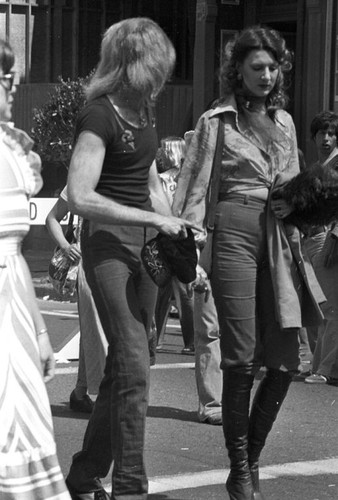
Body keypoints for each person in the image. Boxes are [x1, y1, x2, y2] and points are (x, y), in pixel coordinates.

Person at [172, 26, 325, 500]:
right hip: (232, 233)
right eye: (255, 66)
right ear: (236, 70)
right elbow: (192, 188)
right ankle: (240, 472)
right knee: (238, 360)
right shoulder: (216, 120)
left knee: (282, 362)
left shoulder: (285, 122)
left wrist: (296, 203)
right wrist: (189, 256)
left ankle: (250, 458)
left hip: (279, 240)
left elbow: (297, 186)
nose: (265, 74)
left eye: (272, 67)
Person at [65, 18, 197, 500]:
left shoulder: (143, 111)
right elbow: (78, 195)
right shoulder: (99, 116)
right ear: (136, 63)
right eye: (158, 63)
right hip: (107, 245)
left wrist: (177, 230)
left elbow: (148, 185)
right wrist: (153, 221)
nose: (162, 74)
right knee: (136, 365)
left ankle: (83, 474)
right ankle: (129, 488)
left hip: (144, 244)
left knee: (127, 366)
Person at [0, 39, 70, 499]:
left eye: (13, 82)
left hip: (13, 323)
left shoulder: (11, 153)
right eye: (5, 81)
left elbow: (14, 255)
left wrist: (41, 335)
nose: (11, 92)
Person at [46, 185, 108, 411]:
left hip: (115, 260)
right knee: (97, 329)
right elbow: (52, 218)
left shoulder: (123, 173)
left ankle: (81, 391)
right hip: (87, 263)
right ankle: (105, 396)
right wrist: (65, 246)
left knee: (94, 329)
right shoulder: (78, 179)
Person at [301, 111, 338, 385]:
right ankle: (317, 364)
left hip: (329, 238)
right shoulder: (316, 166)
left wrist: (334, 239)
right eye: (321, 133)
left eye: (332, 133)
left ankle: (326, 368)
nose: (326, 138)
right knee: (320, 308)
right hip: (310, 240)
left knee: (333, 308)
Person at [155, 136, 195, 354]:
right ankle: (190, 341)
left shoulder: (162, 179)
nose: (161, 153)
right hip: (183, 235)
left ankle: (155, 338)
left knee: (161, 288)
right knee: (184, 291)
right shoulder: (187, 179)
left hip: (164, 234)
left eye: (164, 149)